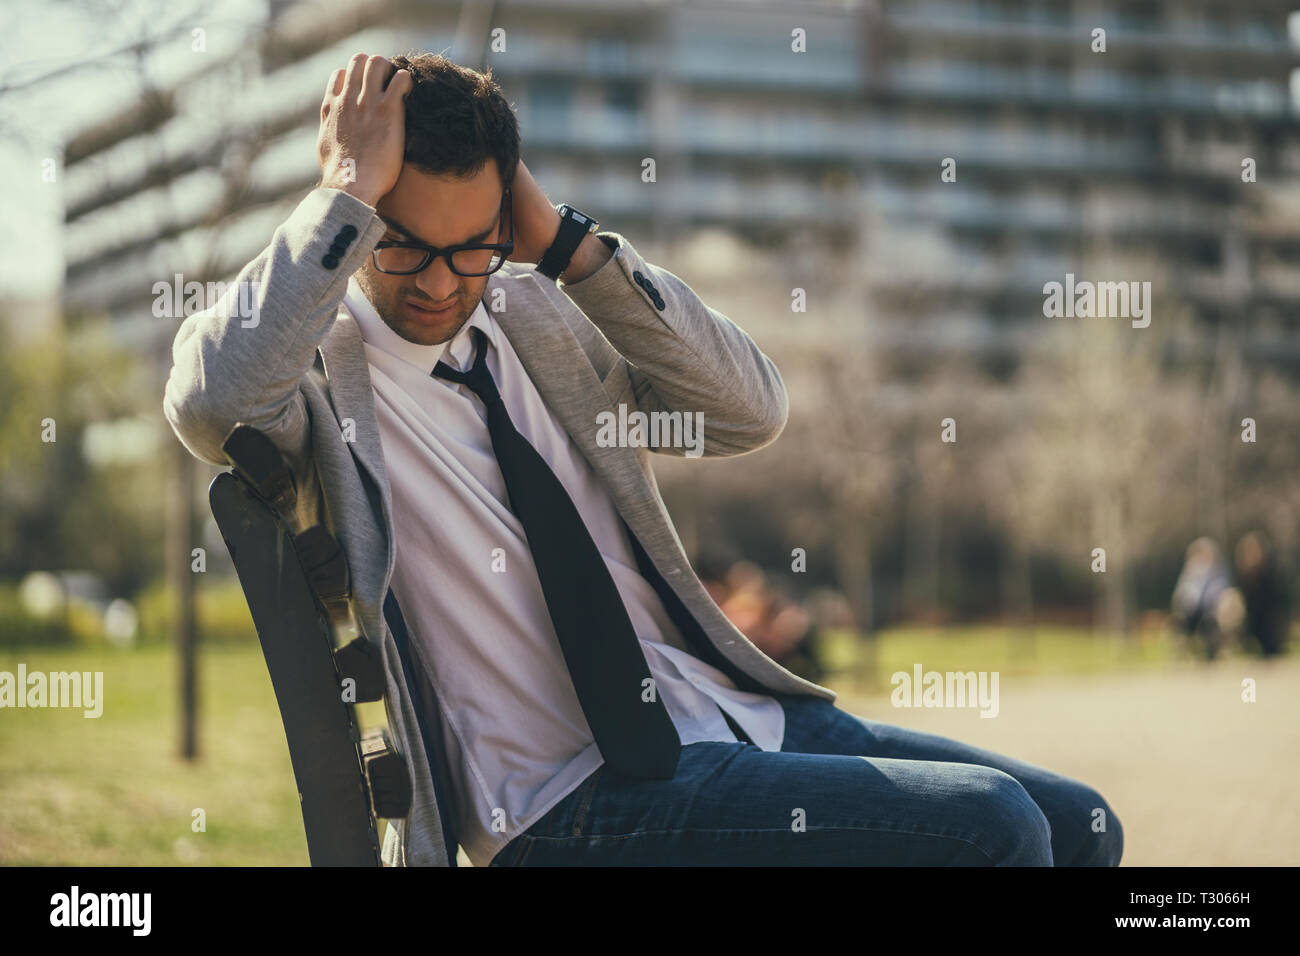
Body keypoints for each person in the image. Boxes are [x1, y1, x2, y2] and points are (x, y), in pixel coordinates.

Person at [164, 52, 1122, 867]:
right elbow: (210, 399)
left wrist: (566, 247)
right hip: (565, 799)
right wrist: (339, 192)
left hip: (727, 714)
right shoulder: (317, 373)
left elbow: (749, 413)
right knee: (994, 831)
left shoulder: (535, 316)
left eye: (474, 249)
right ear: (367, 217)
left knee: (1081, 824)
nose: (441, 283)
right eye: (406, 246)